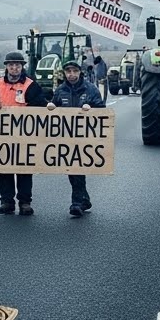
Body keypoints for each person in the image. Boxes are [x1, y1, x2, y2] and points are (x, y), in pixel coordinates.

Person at [0, 50, 53, 216]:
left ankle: (25, 202)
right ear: (6, 67)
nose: (14, 68)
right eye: (11, 65)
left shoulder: (30, 85)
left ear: (22, 67)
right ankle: (7, 202)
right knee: (4, 169)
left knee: (24, 170)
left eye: (17, 65)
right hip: (2, 135)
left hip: (25, 136)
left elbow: (40, 105)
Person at [52, 60, 105, 217]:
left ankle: (76, 203)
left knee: (77, 168)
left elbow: (102, 110)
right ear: (64, 73)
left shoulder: (91, 89)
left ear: (80, 72)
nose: (71, 74)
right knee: (72, 169)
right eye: (68, 71)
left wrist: (92, 109)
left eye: (74, 71)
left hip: (85, 137)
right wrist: (51, 107)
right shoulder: (60, 90)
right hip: (67, 137)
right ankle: (84, 199)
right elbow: (53, 110)